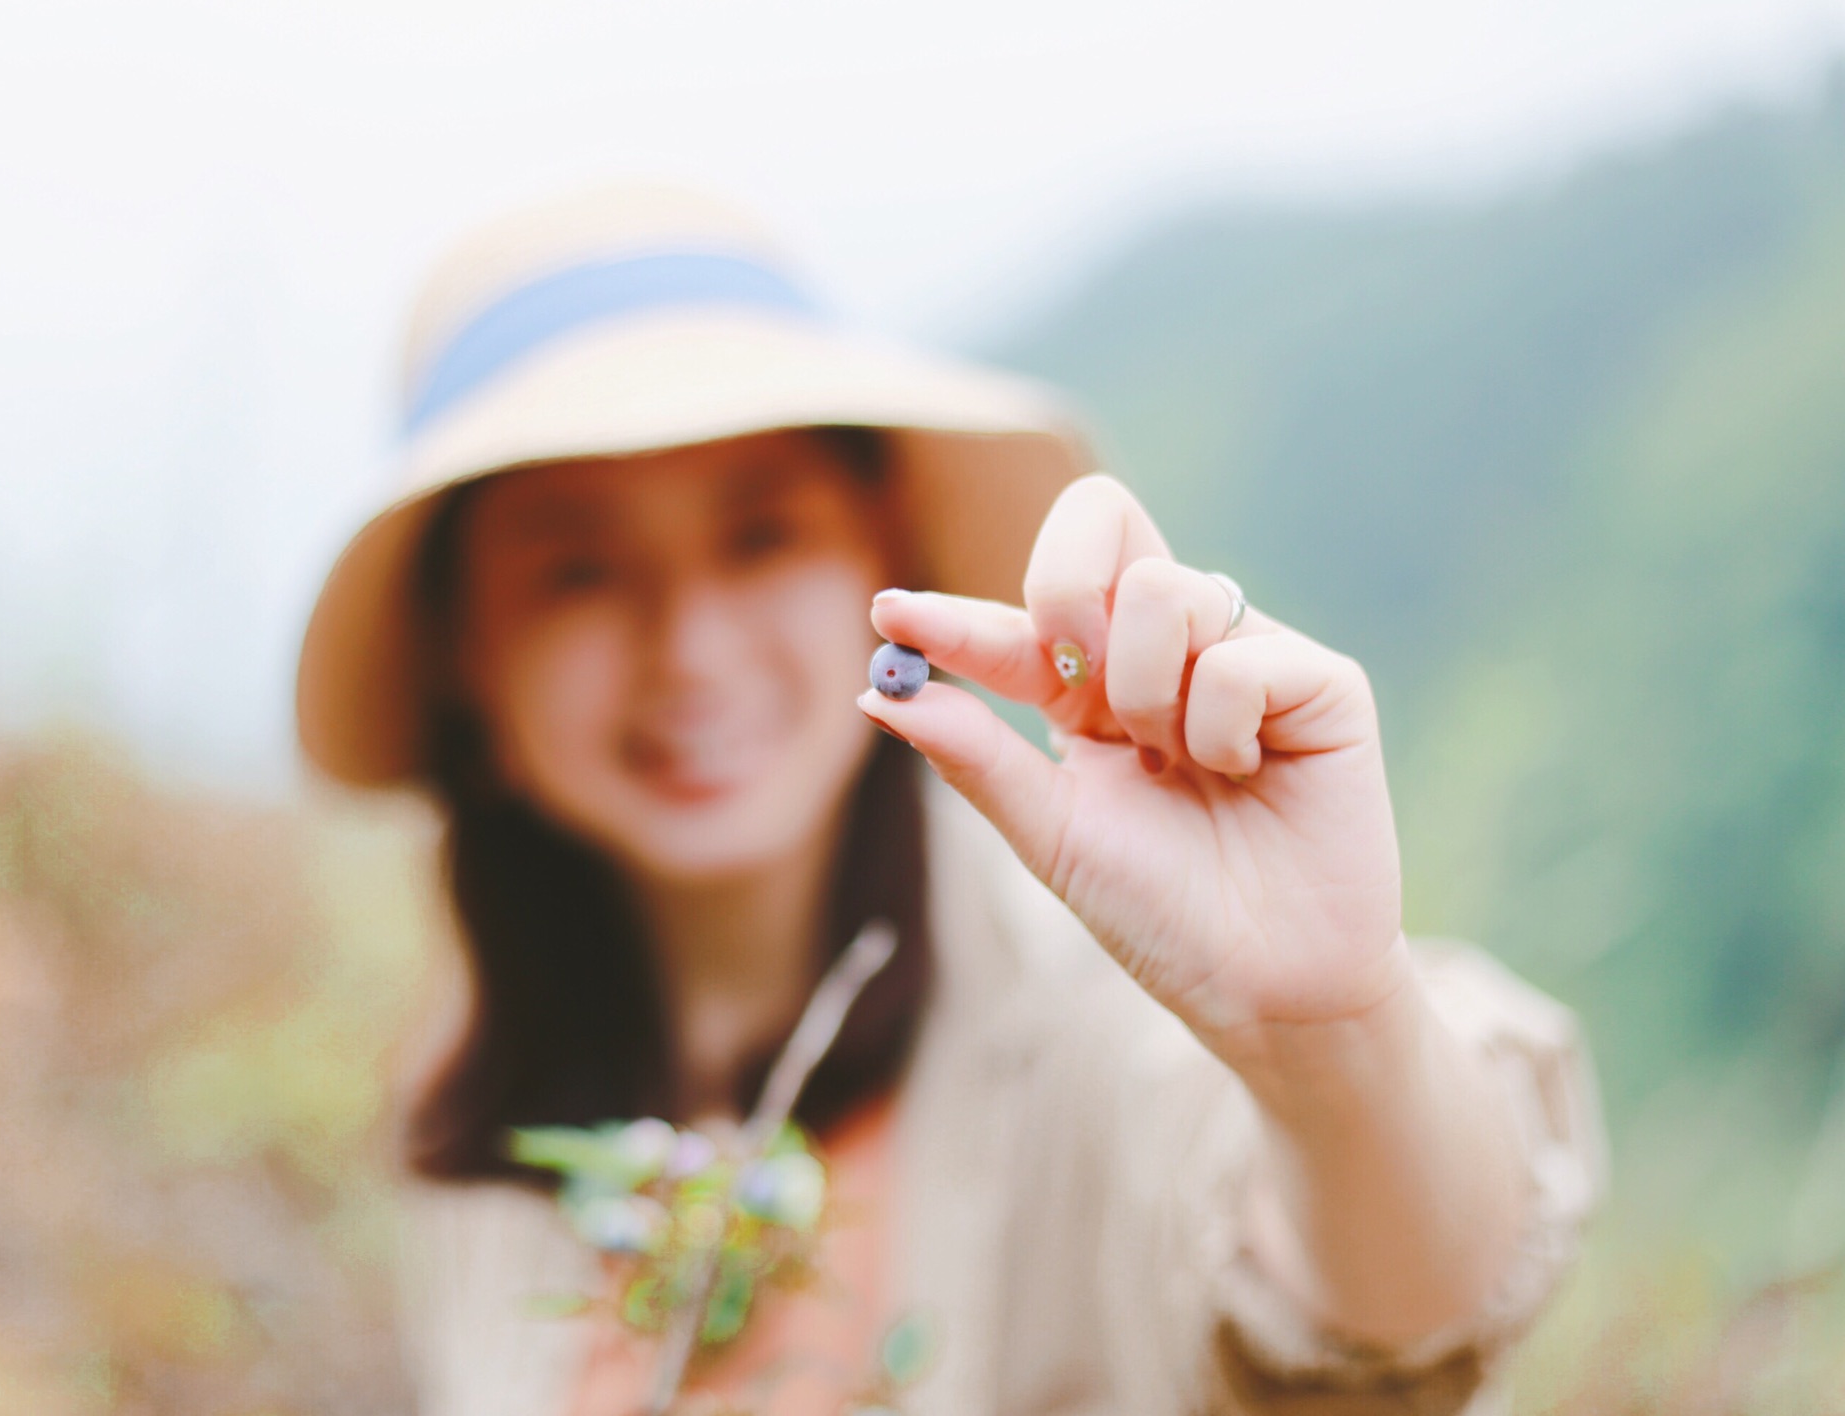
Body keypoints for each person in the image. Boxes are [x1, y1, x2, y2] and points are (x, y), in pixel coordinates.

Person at [295, 186, 1605, 1415]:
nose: (687, 646)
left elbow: (1398, 1311)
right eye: (576, 571)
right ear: (468, 657)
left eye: (762, 535)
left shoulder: (1096, 1013)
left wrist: (1331, 1042)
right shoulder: (475, 1114)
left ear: (889, 553)